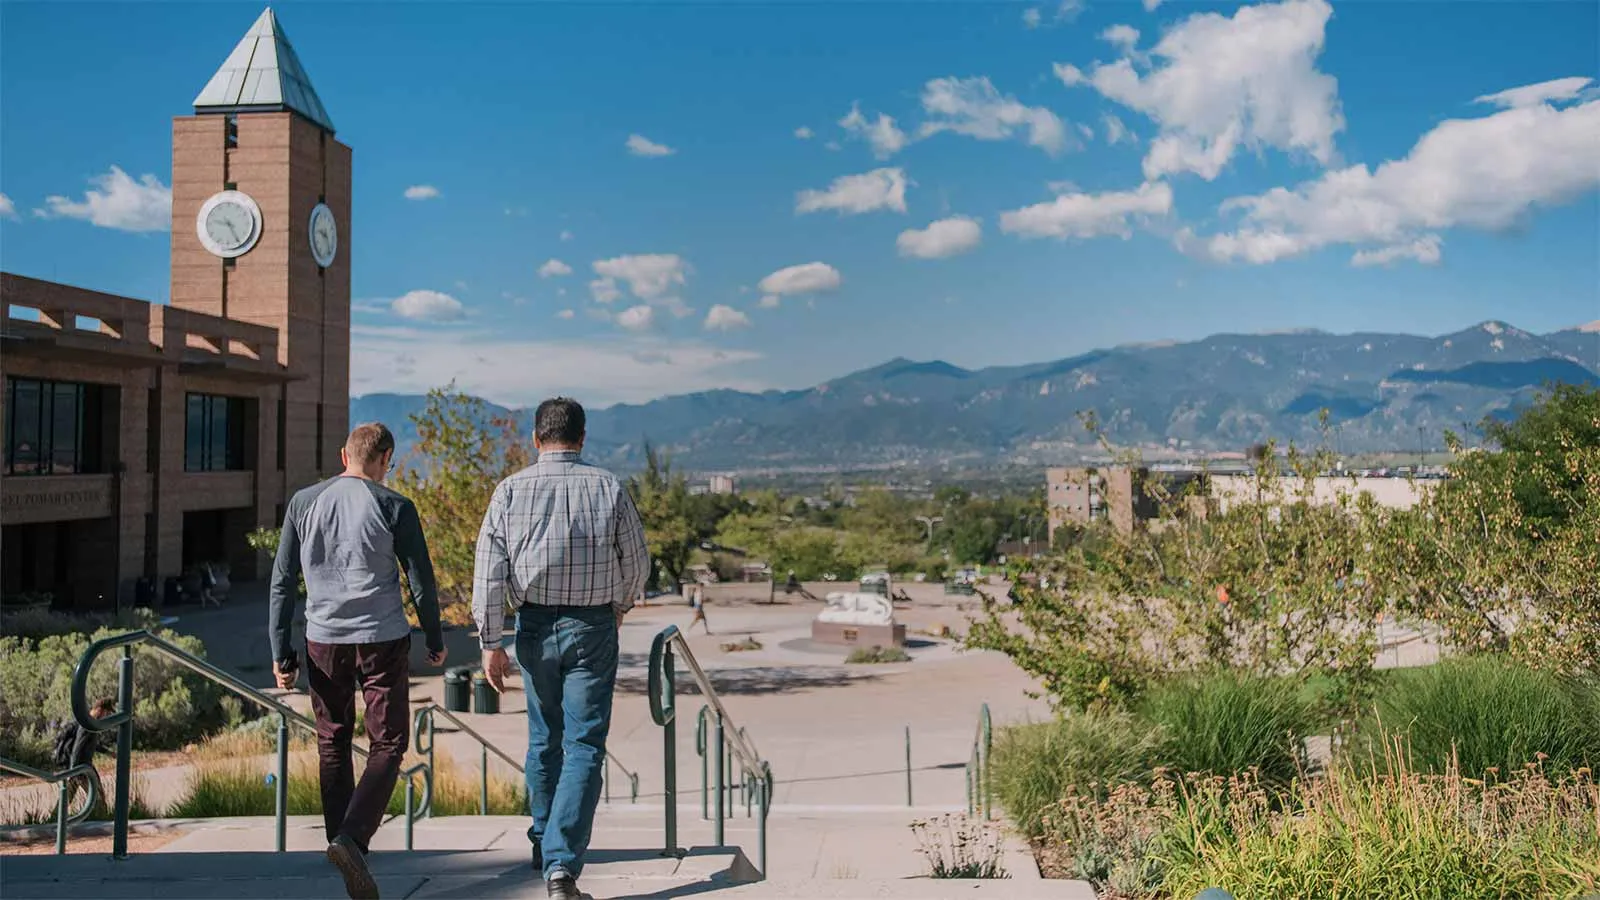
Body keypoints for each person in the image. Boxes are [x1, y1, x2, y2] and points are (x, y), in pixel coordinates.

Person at [472, 397, 648, 900]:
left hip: (531, 625)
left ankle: (544, 843)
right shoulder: (608, 487)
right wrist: (620, 605)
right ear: (582, 437)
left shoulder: (508, 491)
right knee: (585, 744)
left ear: (535, 438)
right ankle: (561, 865)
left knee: (543, 738)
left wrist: (490, 642)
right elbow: (636, 562)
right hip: (592, 626)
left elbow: (488, 573)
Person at [269, 422, 446, 900]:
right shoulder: (394, 506)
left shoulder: (304, 503)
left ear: (344, 454)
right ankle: (351, 840)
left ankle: (341, 844)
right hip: (382, 639)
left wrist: (279, 651)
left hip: (322, 640)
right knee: (387, 743)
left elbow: (283, 582)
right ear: (385, 457)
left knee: (332, 741)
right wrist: (433, 635)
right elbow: (421, 581)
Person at [53, 698, 115, 807]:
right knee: (98, 799)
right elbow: (78, 747)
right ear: (100, 710)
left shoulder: (90, 724)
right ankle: (101, 820)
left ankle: (54, 819)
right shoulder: (86, 724)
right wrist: (74, 770)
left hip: (82, 766)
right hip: (81, 767)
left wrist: (108, 752)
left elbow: (91, 744)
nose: (106, 716)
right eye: (107, 713)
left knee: (67, 798)